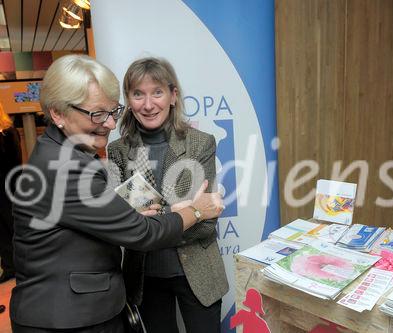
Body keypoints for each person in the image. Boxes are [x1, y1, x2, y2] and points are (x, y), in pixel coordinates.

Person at [10, 54, 224, 332]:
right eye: (97, 114)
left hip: (182, 277)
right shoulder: (74, 166)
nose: (111, 124)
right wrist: (194, 210)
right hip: (70, 314)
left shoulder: (69, 154)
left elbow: (122, 217)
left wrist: (151, 216)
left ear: (173, 96)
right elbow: (139, 230)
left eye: (111, 112)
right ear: (57, 113)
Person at [108, 57, 229, 333]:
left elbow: (207, 222)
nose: (148, 105)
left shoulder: (200, 143)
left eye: (157, 92)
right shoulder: (118, 151)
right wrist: (187, 212)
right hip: (145, 278)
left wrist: (153, 224)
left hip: (197, 273)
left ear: (173, 96)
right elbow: (129, 226)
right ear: (128, 99)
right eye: (138, 94)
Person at [0, 103, 21, 284]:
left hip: (8, 187)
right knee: (1, 231)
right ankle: (8, 266)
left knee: (12, 226)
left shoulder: (8, 133)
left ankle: (21, 265)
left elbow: (14, 162)